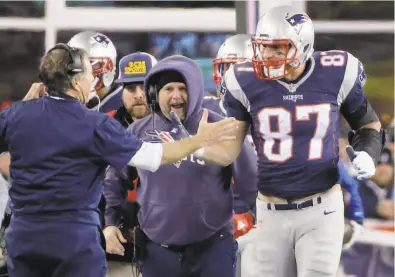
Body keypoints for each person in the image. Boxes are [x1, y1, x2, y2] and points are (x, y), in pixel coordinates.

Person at [177, 5, 384, 277]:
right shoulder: (244, 79)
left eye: (278, 48)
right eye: (263, 47)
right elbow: (230, 150)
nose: (267, 56)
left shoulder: (335, 71)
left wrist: (368, 153)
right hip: (269, 210)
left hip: (321, 209)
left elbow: (368, 123)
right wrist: (198, 146)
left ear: (303, 46)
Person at [1, 44, 237, 277]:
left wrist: (23, 106)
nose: (92, 82)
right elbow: (154, 156)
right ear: (75, 82)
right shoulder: (96, 125)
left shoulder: (16, 115)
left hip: (24, 237)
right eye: (88, 76)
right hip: (73, 240)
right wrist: (198, 141)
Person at [123, 55, 249, 277]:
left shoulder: (220, 126)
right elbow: (114, 178)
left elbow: (250, 177)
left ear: (195, 91)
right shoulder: (137, 132)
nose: (176, 95)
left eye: (183, 88)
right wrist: (113, 221)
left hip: (213, 247)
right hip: (157, 250)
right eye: (168, 88)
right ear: (154, 93)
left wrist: (242, 214)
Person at [103, 51, 157, 277]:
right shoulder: (104, 125)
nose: (138, 95)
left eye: (144, 87)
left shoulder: (177, 125)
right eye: (130, 88)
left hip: (164, 241)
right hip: (110, 241)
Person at [203, 34, 257, 240]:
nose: (231, 79)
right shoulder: (204, 110)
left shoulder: (274, 112)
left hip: (264, 215)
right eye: (227, 69)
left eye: (240, 71)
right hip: (211, 215)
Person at [68, 31, 122, 112]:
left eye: (91, 64)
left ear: (109, 66)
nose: (80, 72)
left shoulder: (124, 104)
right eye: (75, 63)